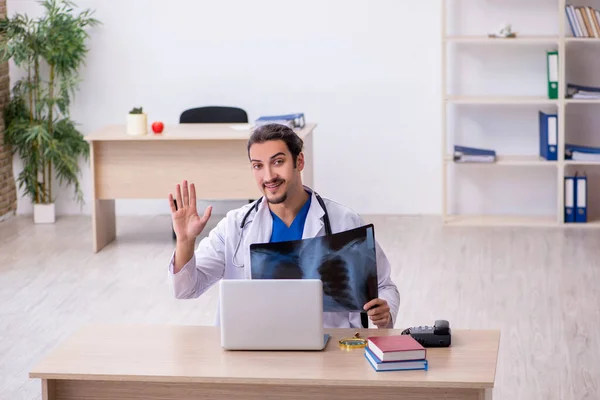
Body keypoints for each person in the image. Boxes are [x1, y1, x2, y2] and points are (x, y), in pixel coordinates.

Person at [167, 123, 400, 329]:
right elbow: (185, 289)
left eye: (278, 162)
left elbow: (384, 286)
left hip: (330, 349)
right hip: (253, 347)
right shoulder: (235, 226)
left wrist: (384, 311)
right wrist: (185, 242)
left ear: (299, 161)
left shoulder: (344, 221)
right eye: (258, 166)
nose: (268, 176)